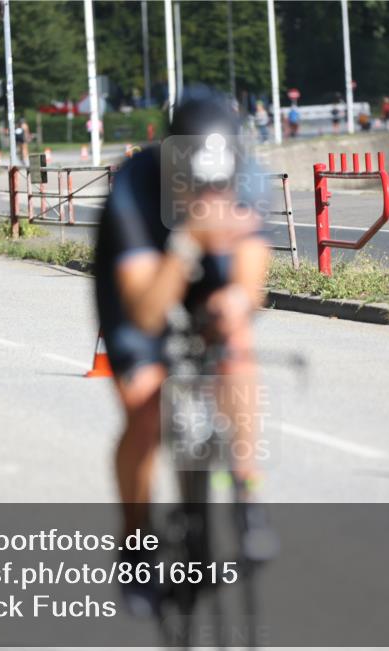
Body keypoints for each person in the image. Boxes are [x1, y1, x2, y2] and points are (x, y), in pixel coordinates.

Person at [93, 86, 273, 615]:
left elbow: (250, 284)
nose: (210, 198)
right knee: (146, 405)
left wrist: (232, 306)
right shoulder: (135, 188)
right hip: (146, 263)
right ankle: (135, 547)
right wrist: (191, 239)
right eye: (196, 187)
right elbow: (147, 314)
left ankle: (246, 494)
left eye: (219, 188)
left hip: (207, 263)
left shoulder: (246, 177)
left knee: (236, 341)